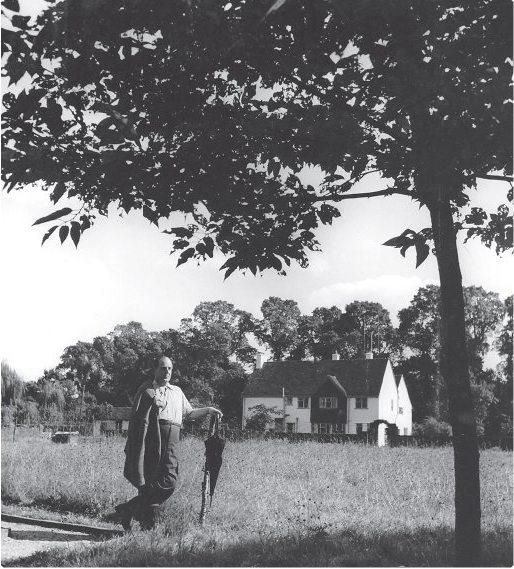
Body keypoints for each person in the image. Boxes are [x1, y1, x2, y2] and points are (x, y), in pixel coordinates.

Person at [115, 356, 222, 530]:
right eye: (163, 368)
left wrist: (208, 410)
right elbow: (138, 418)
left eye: (170, 369)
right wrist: (151, 404)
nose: (167, 372)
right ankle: (147, 527)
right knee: (149, 481)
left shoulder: (177, 392)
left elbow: (189, 413)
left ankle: (128, 509)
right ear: (155, 370)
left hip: (172, 441)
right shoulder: (147, 390)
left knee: (169, 482)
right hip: (152, 441)